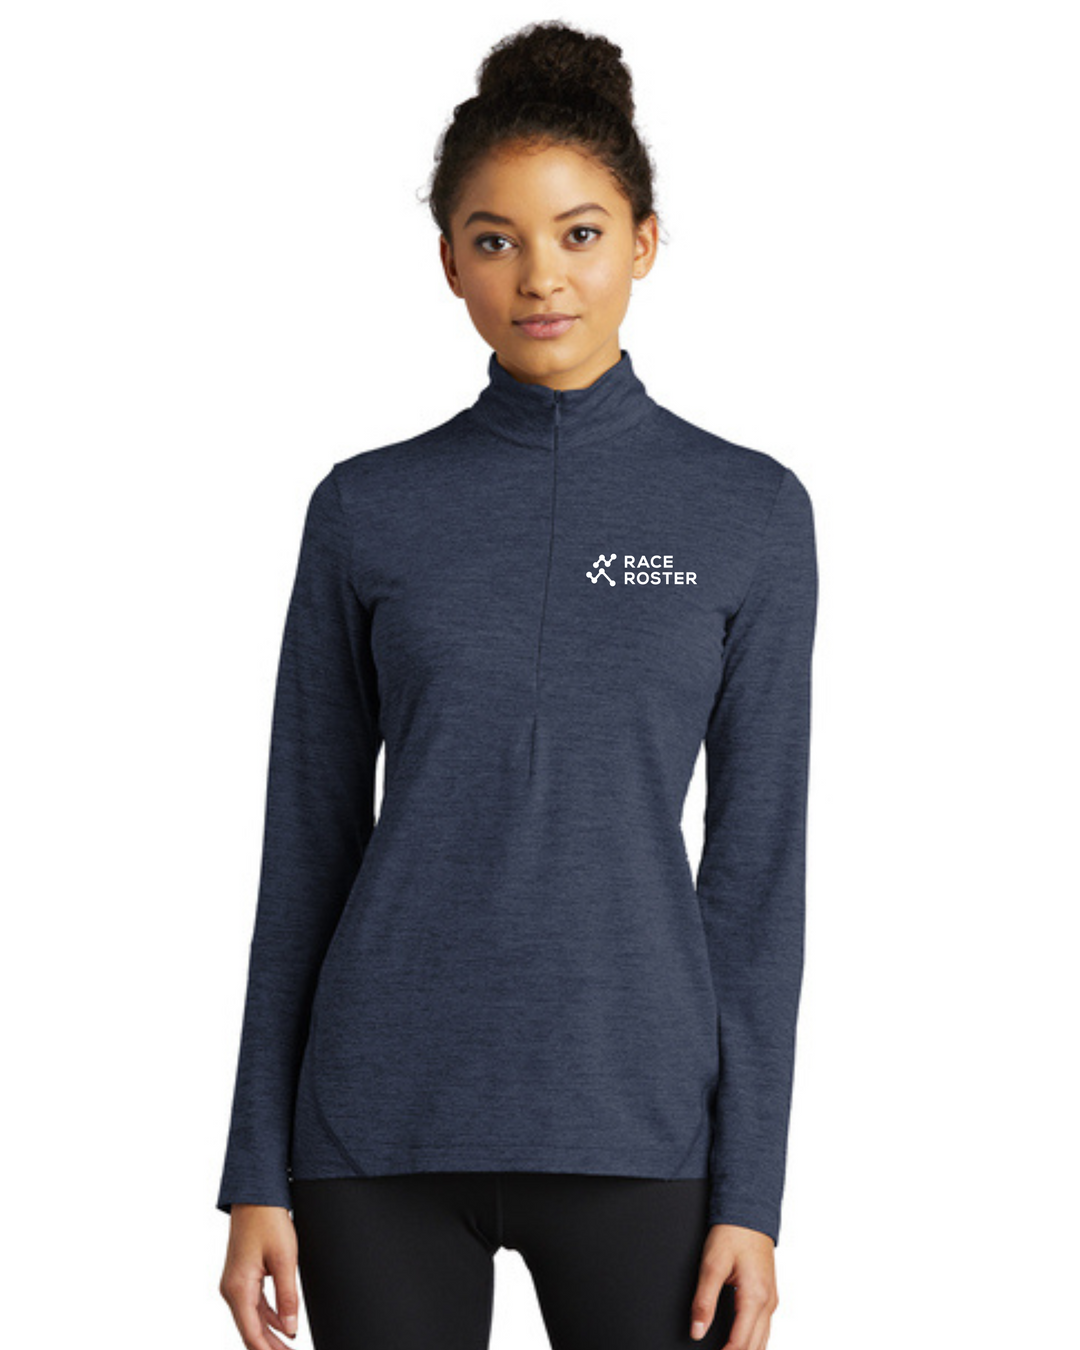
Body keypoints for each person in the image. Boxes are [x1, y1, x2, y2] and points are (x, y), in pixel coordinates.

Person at [216, 19, 818, 1350]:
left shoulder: (749, 512)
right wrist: (256, 1163)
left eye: (579, 233)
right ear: (449, 263)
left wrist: (752, 1195)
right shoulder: (365, 509)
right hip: (374, 1124)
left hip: (637, 1124)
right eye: (495, 240)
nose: (540, 275)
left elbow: (756, 880)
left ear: (644, 242)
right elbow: (306, 848)